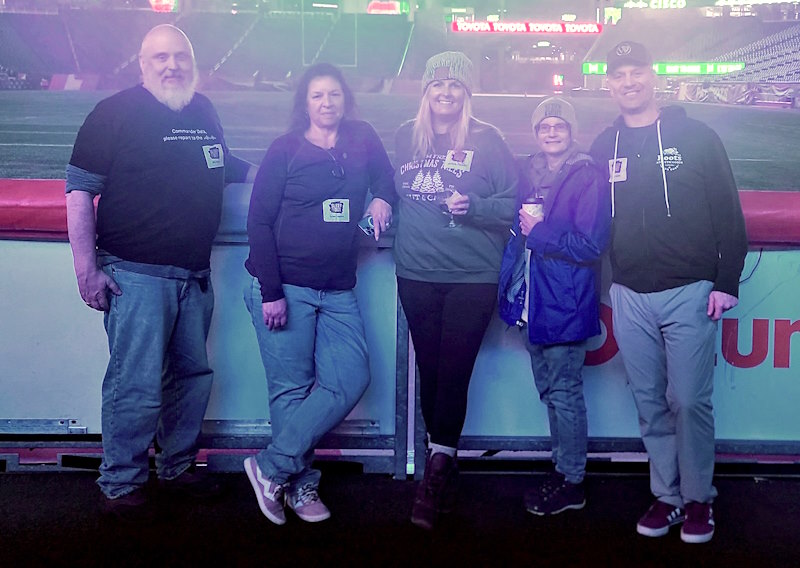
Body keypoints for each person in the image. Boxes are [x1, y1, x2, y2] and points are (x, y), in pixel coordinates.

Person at [65, 24, 253, 520]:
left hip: (194, 275)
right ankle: (121, 481)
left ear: (193, 60)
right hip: (136, 275)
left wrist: (282, 172)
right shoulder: (114, 112)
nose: (172, 65)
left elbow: (224, 163)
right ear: (142, 63)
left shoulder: (203, 109)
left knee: (191, 377)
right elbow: (80, 191)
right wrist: (86, 269)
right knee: (136, 382)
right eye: (161, 57)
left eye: (180, 56)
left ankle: (177, 465)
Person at [589, 41, 748, 544]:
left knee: (688, 400)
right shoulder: (604, 144)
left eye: (636, 72)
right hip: (630, 293)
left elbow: (729, 213)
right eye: (619, 75)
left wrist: (726, 283)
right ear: (609, 83)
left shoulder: (696, 136)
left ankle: (700, 498)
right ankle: (669, 494)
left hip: (691, 289)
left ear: (652, 77)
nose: (628, 82)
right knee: (649, 402)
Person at [242, 62, 396, 525]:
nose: (327, 103)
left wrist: (381, 196)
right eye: (316, 96)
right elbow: (258, 222)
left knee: (350, 377)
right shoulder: (285, 149)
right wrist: (272, 291)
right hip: (284, 286)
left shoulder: (362, 137)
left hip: (337, 287)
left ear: (345, 98)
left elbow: (386, 179)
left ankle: (269, 467)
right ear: (304, 103)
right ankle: (300, 486)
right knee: (291, 392)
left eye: (333, 94)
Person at [393, 51, 517, 530]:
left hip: (471, 276)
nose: (445, 93)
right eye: (437, 85)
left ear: (468, 94)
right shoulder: (406, 135)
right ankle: (441, 465)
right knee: (431, 368)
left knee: (454, 370)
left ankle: (436, 467)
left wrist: (476, 206)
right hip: (416, 273)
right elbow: (389, 185)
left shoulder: (488, 140)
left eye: (455, 86)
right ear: (425, 91)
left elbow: (512, 204)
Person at [498, 97, 611, 516]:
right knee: (550, 390)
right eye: (544, 126)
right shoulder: (529, 171)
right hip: (535, 298)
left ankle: (572, 480)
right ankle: (562, 470)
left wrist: (540, 232)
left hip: (565, 300)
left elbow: (591, 244)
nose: (551, 132)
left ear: (572, 131)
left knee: (564, 392)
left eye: (558, 126)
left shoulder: (587, 174)